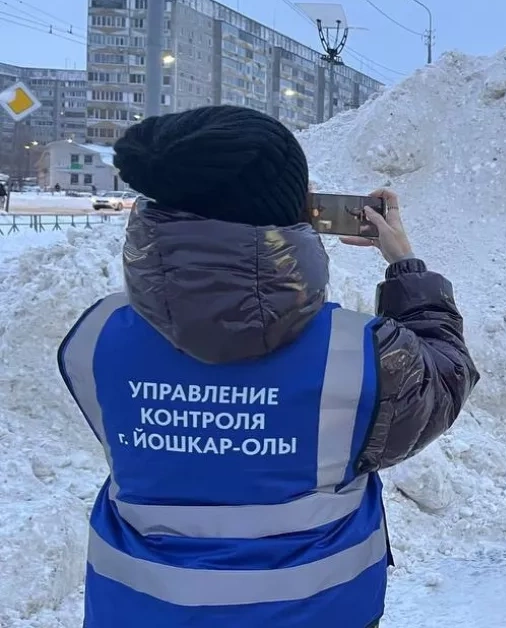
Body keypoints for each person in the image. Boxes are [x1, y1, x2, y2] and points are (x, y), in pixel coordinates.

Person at [55, 105, 478, 628]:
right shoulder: (364, 356)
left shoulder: (94, 337)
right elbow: (445, 378)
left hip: (136, 611)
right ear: (295, 218)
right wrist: (404, 266)